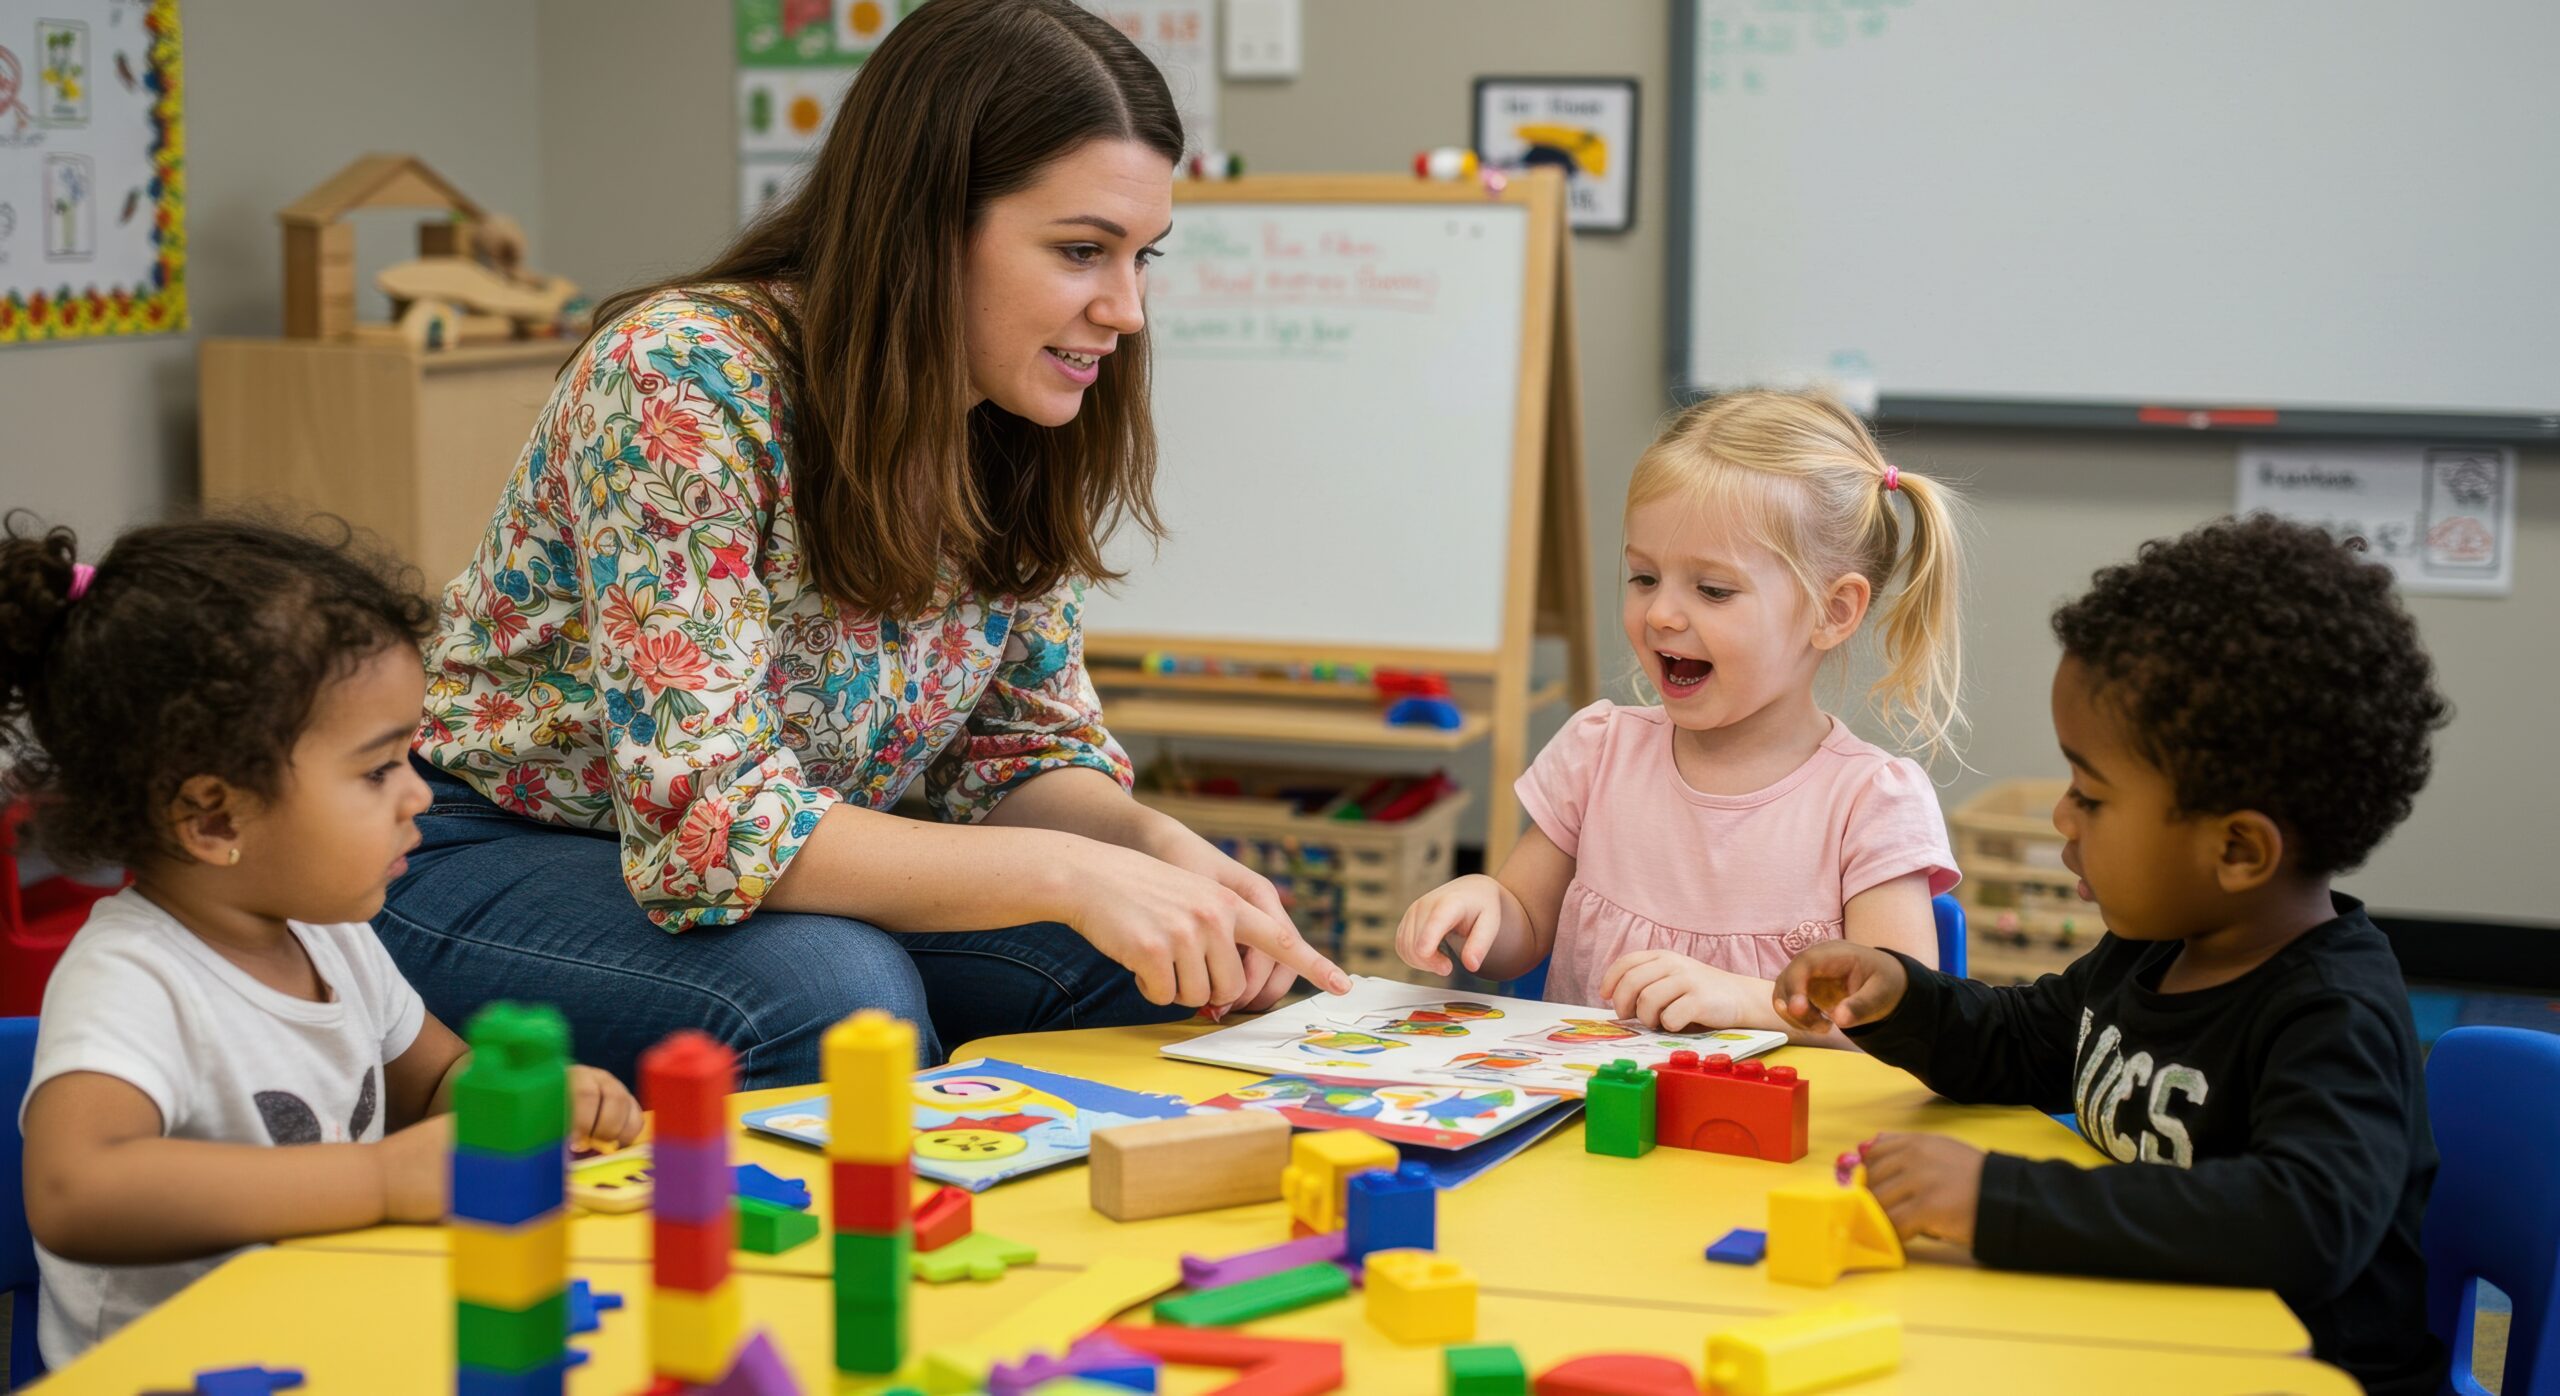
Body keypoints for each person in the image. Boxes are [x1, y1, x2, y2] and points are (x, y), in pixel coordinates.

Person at [381, 0, 1347, 1089]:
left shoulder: (1009, 412)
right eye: (1082, 251)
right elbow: (712, 821)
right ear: (927, 226)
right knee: (838, 1000)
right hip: (497, 846)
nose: (1124, 309)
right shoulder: (679, 376)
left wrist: (1164, 854)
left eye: (1141, 259)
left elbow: (1018, 757)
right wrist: (1074, 875)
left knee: (1198, 966)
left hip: (783, 862)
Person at [1774, 515, 2449, 1395]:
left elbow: (2304, 1223)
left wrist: (1999, 1200)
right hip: (2141, 1341)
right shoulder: (2152, 953)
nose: (2062, 817)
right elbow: (2022, 1042)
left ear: (2238, 851)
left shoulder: (2334, 1010)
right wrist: (1905, 996)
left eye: (2090, 796)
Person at [0, 517, 642, 1365]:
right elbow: (75, 1191)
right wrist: (380, 1180)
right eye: (379, 770)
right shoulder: (133, 979)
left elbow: (441, 1076)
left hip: (332, 1335)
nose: (419, 797)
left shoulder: (331, 939)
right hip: (180, 1370)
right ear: (214, 816)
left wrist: (519, 1102)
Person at [1398, 390, 1965, 1042]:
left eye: (1712, 590)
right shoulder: (1596, 752)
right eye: (1643, 578)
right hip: (1589, 1125)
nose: (1662, 613)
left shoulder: (1869, 802)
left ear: (1832, 612)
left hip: (1778, 1136)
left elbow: (1900, 1016)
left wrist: (1749, 1000)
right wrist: (1480, 907)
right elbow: (1522, 924)